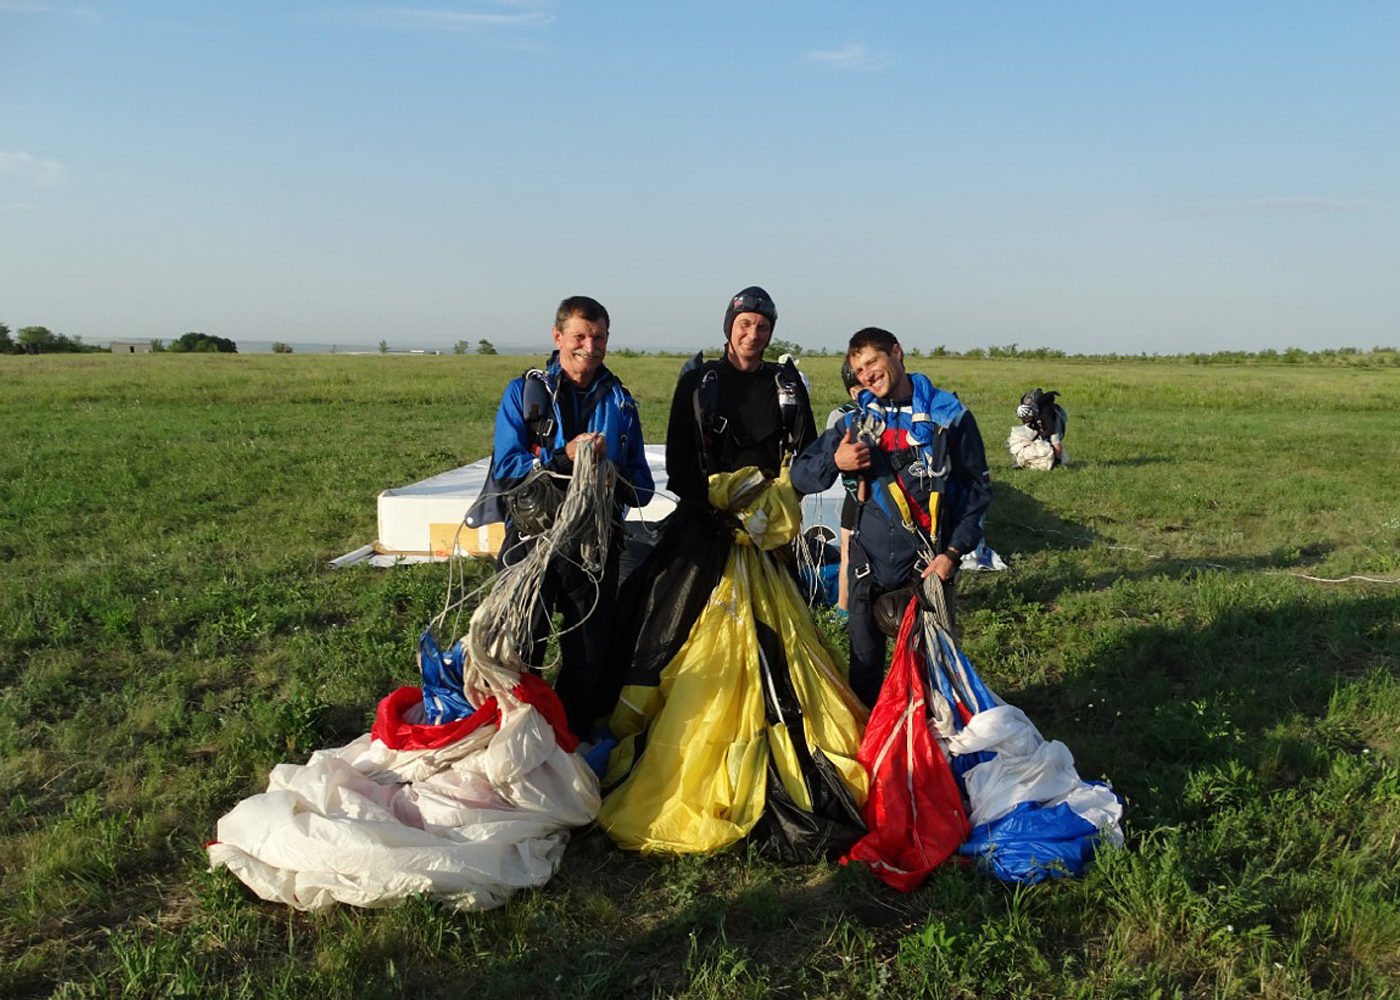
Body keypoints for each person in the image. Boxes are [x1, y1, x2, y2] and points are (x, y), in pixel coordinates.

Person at [599, 285, 868, 859]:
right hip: (710, 532)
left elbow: (804, 457)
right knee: (675, 636)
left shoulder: (786, 385)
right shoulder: (700, 383)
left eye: (763, 326)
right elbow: (680, 463)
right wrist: (723, 513)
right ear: (729, 328)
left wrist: (766, 510)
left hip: (766, 535)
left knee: (788, 644)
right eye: (745, 324)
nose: (753, 333)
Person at [466, 295, 654, 738]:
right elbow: (508, 466)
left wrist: (611, 474)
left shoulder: (622, 404)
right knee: (520, 640)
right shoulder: (524, 394)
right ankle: (516, 731)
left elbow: (643, 487)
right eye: (580, 336)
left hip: (594, 546)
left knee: (588, 650)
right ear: (558, 337)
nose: (590, 346)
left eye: (599, 337)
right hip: (532, 539)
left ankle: (570, 737)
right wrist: (565, 457)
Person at [791, 327, 992, 708]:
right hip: (868, 567)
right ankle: (870, 755)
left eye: (872, 362)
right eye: (859, 369)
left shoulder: (947, 416)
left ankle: (929, 754)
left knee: (930, 678)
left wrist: (952, 553)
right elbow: (800, 474)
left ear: (896, 353)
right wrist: (835, 461)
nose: (867, 374)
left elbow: (977, 493)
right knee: (864, 670)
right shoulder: (857, 421)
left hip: (927, 567)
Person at [1011, 387, 1068, 468]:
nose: (1026, 421)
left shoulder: (1045, 412)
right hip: (1040, 418)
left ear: (1031, 414)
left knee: (1054, 438)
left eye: (1027, 419)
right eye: (1024, 419)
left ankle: (1058, 462)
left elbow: (1051, 428)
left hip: (1055, 416)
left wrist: (1040, 437)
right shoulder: (1028, 413)